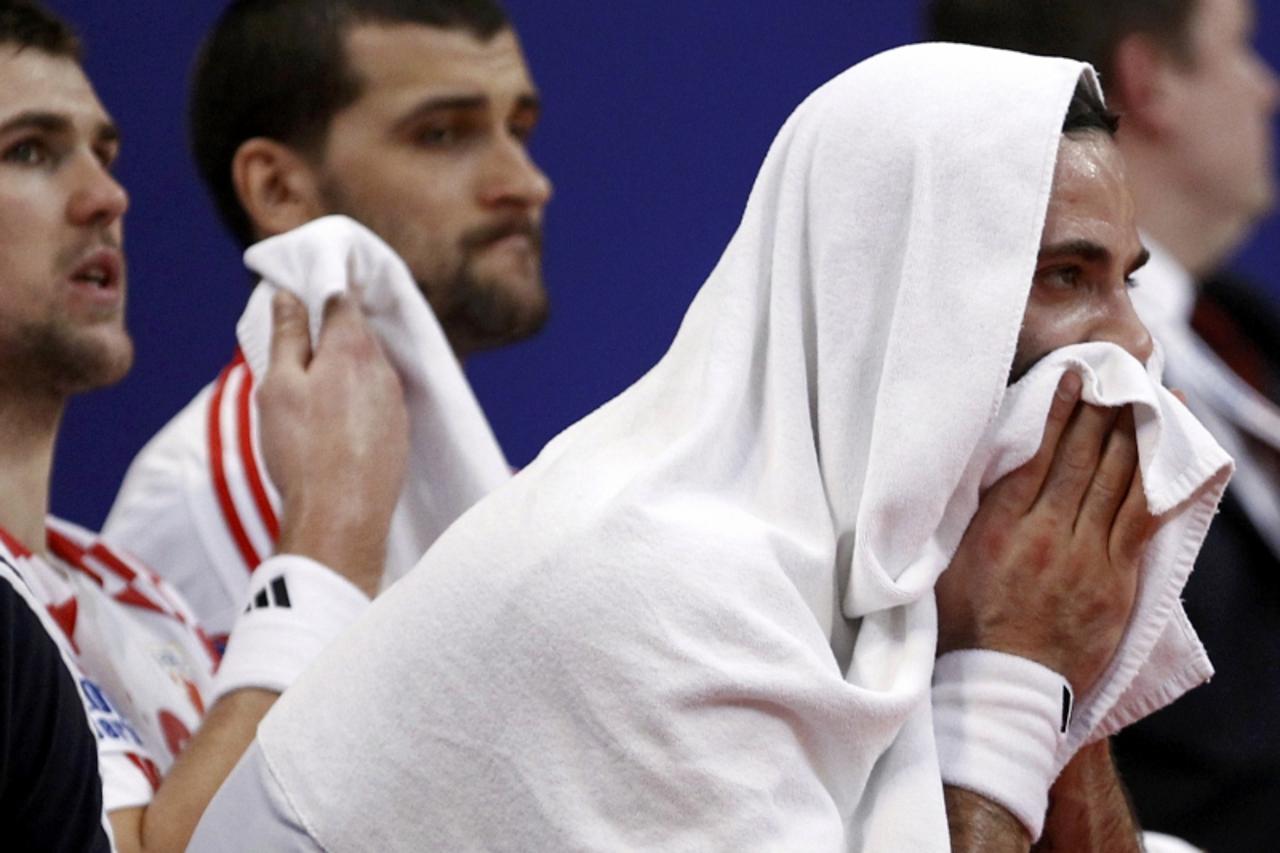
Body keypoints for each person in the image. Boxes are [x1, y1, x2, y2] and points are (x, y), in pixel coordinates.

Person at [194, 43, 1231, 852]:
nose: (1132, 346)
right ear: (900, 306)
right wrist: (1016, 668)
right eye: (1065, 278)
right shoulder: (658, 589)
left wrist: (1064, 669)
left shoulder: (884, 556)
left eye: (1125, 280)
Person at [0, 1, 407, 849]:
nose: (106, 196)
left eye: (103, 153)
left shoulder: (142, 602)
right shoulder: (197, 500)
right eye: (29, 151)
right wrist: (329, 533)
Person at [927, 1, 1280, 845]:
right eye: (1240, 51)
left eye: (1128, 278)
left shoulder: (1243, 328)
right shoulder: (1006, 404)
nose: (1266, 88)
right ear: (1149, 81)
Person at [103, 0, 552, 642]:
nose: (526, 182)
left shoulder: (472, 477)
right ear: (278, 190)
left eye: (520, 129)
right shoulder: (211, 493)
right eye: (443, 134)